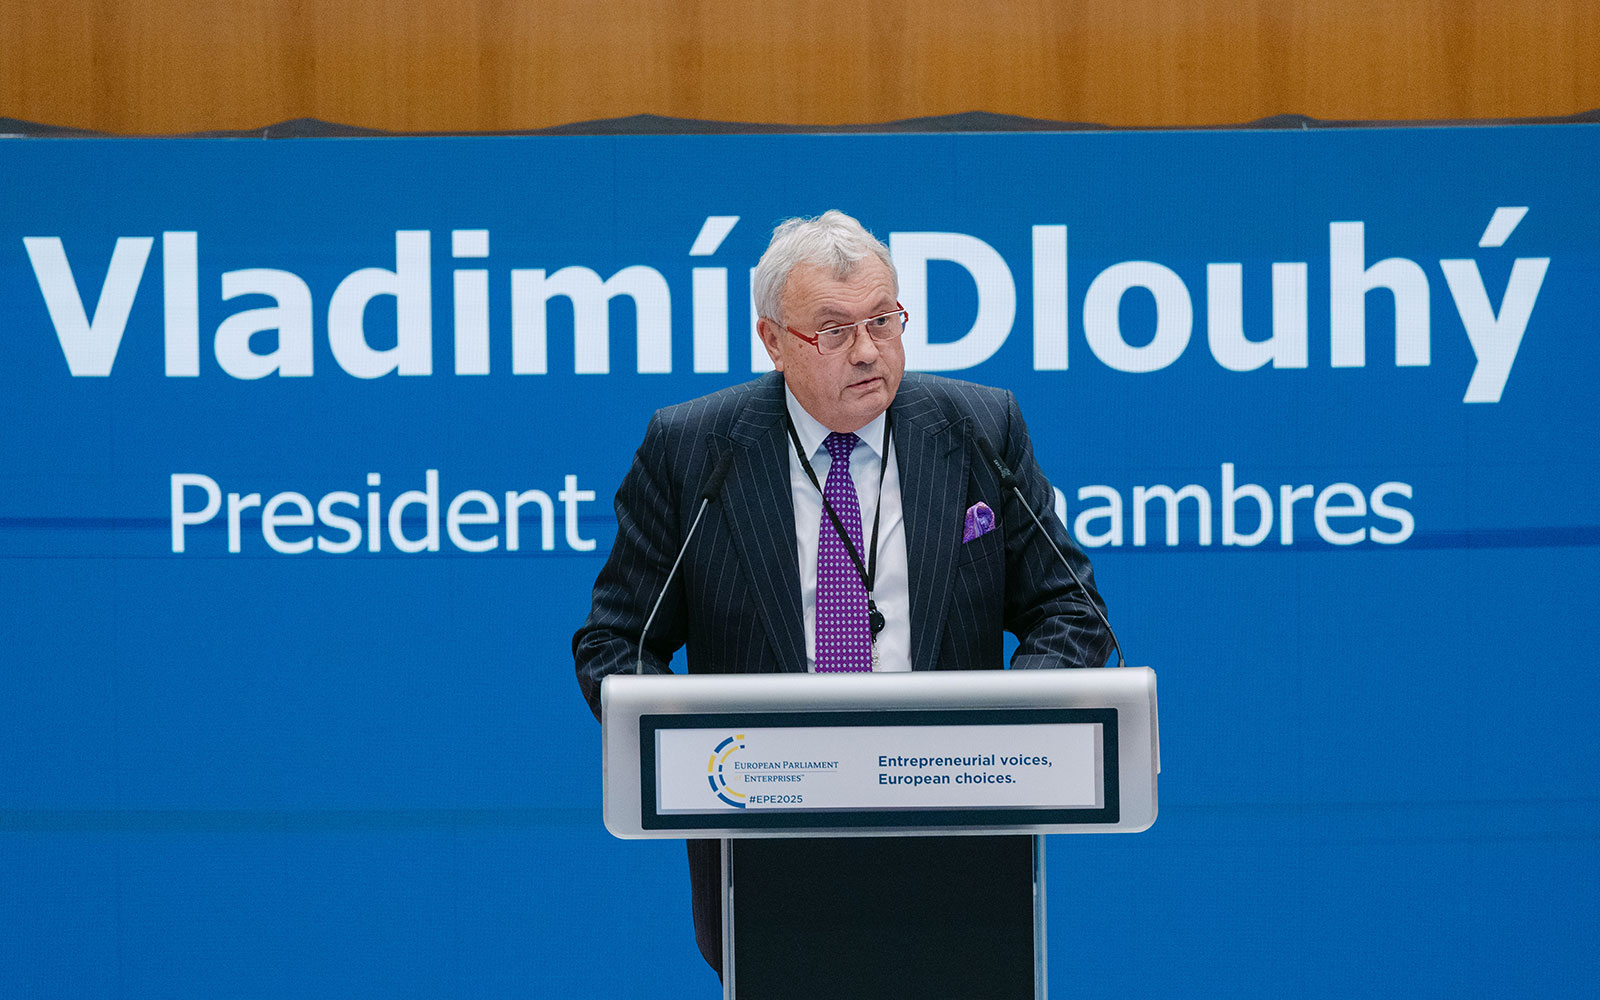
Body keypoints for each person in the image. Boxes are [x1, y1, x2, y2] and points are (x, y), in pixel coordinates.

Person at [573, 210, 1114, 973]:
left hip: (958, 828)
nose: (866, 350)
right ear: (773, 341)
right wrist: (703, 751)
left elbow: (1071, 611)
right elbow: (616, 643)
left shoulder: (979, 428)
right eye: (833, 330)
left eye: (883, 321)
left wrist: (998, 732)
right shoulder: (693, 450)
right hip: (765, 844)